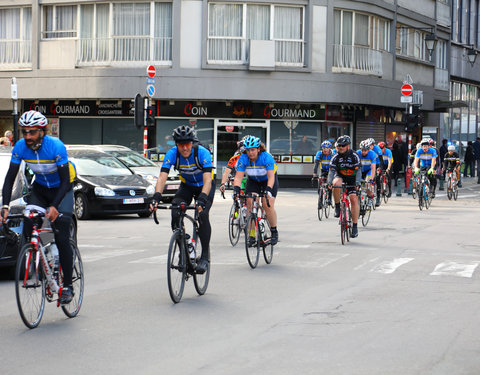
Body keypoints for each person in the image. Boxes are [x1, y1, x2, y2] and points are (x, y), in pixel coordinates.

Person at [1, 110, 75, 304]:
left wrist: (55, 206)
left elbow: (66, 181)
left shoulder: (56, 147)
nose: (27, 136)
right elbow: (9, 179)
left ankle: (67, 285)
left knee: (61, 234)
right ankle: (37, 255)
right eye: (24, 132)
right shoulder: (20, 147)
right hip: (41, 189)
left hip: (62, 190)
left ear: (42, 131)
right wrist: (5, 205)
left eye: (32, 132)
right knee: (28, 222)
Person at [150, 125, 214, 274]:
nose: (184, 148)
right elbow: (162, 177)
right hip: (187, 186)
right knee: (175, 212)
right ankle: (183, 250)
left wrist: (202, 199)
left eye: (187, 144)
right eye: (180, 145)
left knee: (203, 214)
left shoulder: (202, 153)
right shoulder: (172, 154)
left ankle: (204, 256)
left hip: (204, 187)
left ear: (192, 143)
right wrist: (156, 197)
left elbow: (208, 180)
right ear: (176, 145)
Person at [233, 136, 279, 245]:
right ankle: (252, 234)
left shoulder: (266, 157)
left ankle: (274, 231)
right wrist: (236, 190)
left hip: (268, 180)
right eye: (248, 150)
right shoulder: (243, 158)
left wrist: (268, 190)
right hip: (253, 181)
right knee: (250, 203)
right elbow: (238, 177)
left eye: (253, 150)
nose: (250, 153)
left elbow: (271, 177)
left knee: (267, 205)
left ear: (258, 149)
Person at [328, 135, 361, 238]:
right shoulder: (335, 156)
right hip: (341, 176)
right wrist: (329, 182)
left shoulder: (354, 155)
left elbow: (359, 170)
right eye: (339, 145)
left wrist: (358, 182)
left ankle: (355, 226)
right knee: (335, 184)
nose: (340, 147)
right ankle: (337, 206)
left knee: (353, 199)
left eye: (343, 145)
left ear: (348, 146)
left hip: (353, 179)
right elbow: (331, 171)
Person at [356, 140, 377, 206]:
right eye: (362, 150)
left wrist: (371, 179)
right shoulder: (357, 153)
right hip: (360, 171)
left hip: (368, 171)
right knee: (357, 185)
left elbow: (373, 168)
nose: (363, 152)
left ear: (368, 150)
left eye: (365, 150)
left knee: (367, 184)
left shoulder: (372, 154)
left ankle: (370, 197)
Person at [313, 140, 333, 204]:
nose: (325, 150)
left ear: (329, 148)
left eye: (327, 148)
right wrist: (314, 173)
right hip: (323, 170)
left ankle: (329, 198)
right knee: (320, 184)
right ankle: (320, 199)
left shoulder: (332, 154)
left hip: (330, 171)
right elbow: (316, 164)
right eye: (324, 148)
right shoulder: (319, 153)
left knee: (330, 184)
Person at [367, 138, 383, 206]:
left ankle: (378, 198)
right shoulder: (367, 149)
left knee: (377, 179)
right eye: (369, 145)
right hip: (370, 165)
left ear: (373, 145)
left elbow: (381, 160)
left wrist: (380, 169)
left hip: (377, 164)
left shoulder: (377, 149)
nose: (370, 147)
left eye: (371, 145)